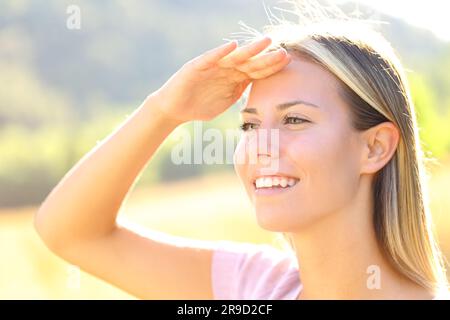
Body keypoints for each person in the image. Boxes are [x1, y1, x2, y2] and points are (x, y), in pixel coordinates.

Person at [34, 3, 449, 300]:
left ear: (374, 147)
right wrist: (164, 110)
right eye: (250, 125)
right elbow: (69, 232)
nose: (259, 147)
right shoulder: (254, 288)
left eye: (294, 120)